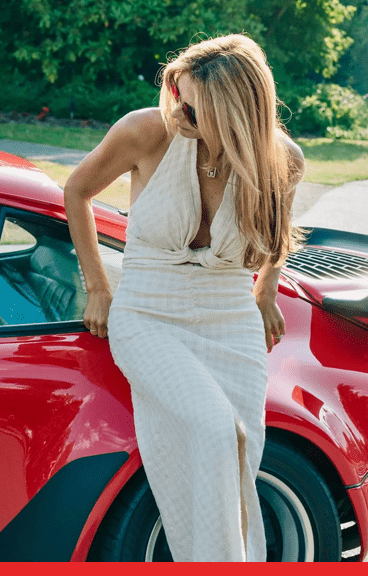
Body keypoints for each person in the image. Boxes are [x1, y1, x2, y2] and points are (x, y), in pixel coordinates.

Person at [63, 34, 305, 562]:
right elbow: (76, 191)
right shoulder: (146, 131)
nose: (177, 106)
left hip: (229, 316)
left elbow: (277, 233)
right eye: (176, 89)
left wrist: (266, 288)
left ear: (235, 111)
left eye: (192, 102)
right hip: (149, 313)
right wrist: (99, 287)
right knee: (219, 429)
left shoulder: (281, 160)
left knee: (241, 455)